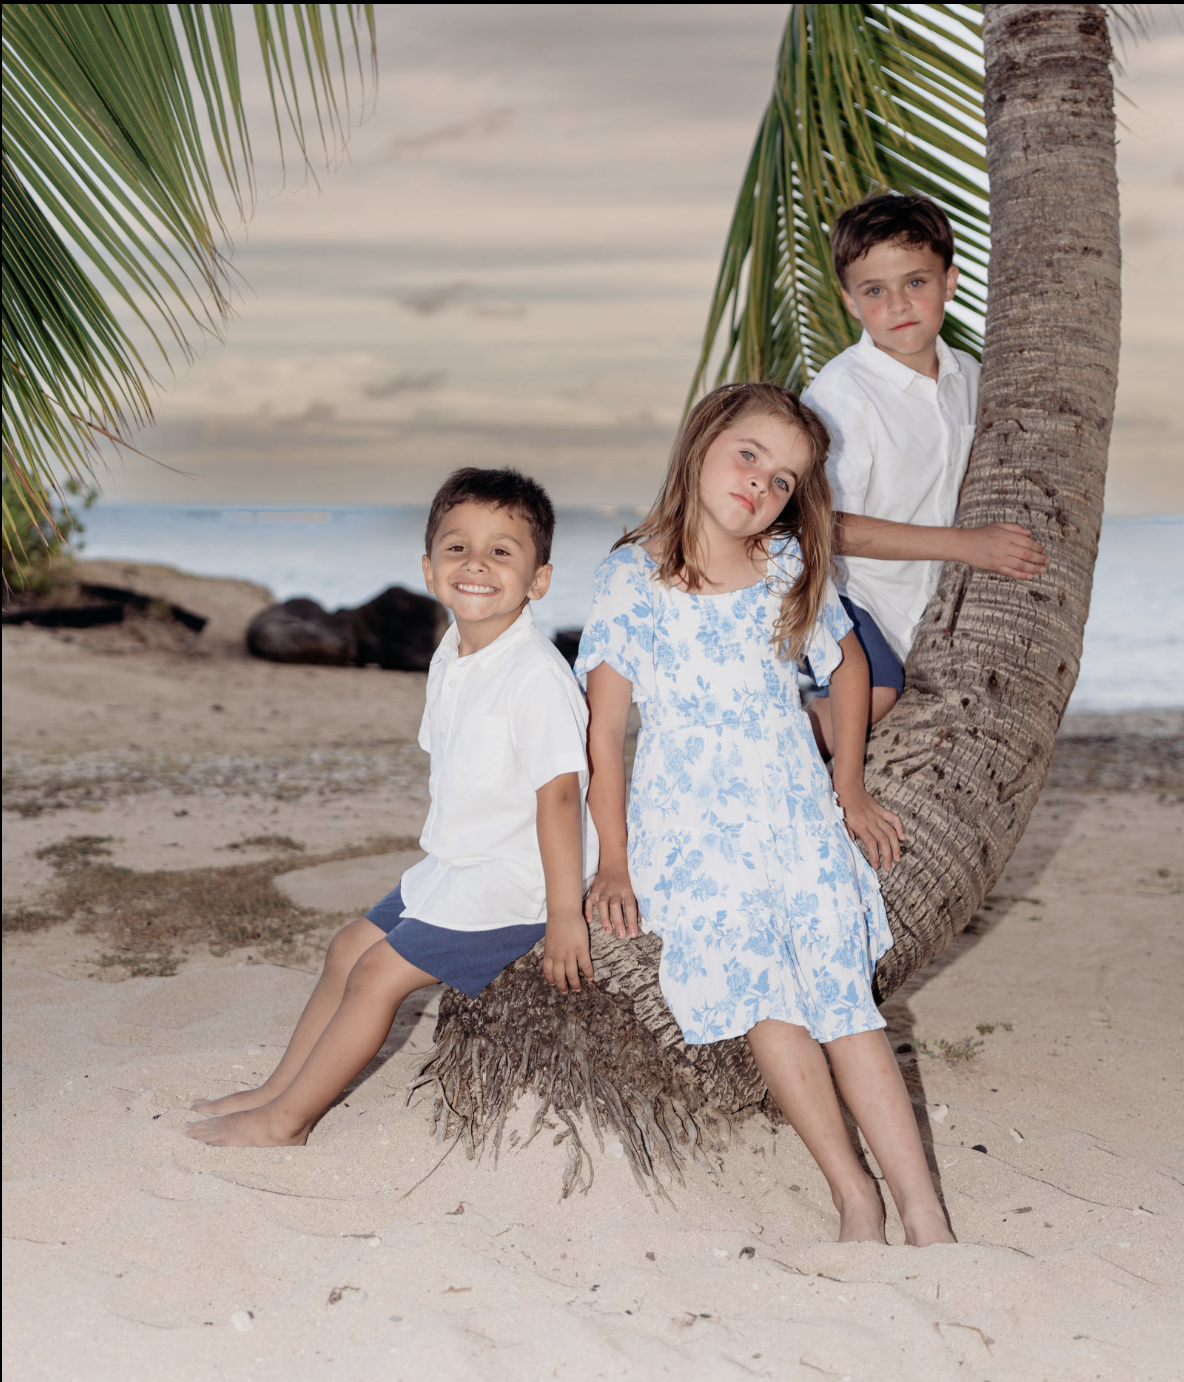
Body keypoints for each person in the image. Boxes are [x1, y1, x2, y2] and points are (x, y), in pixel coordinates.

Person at [576, 382, 955, 1246]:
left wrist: (849, 786)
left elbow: (849, 667)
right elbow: (604, 737)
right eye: (750, 455)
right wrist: (614, 860)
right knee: (770, 1010)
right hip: (696, 837)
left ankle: (924, 1210)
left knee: (845, 1003)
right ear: (704, 442)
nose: (761, 484)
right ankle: (853, 1195)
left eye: (784, 479)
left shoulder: (785, 565)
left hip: (795, 818)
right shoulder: (631, 575)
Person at [186, 467, 598, 1148]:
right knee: (349, 946)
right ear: (430, 570)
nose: (476, 564)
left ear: (540, 580)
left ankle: (287, 1123)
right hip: (457, 862)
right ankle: (277, 1089)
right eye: (457, 547)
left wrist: (563, 917)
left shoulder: (535, 676)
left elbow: (559, 798)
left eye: (503, 551)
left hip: (513, 880)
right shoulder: (454, 652)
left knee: (378, 975)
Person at [802, 192, 1048, 755]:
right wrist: (967, 546)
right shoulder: (842, 396)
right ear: (849, 301)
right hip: (848, 593)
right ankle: (772, 752)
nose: (898, 304)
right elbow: (825, 526)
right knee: (876, 693)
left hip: (926, 606)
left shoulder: (972, 376)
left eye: (916, 282)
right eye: (874, 291)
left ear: (950, 280)